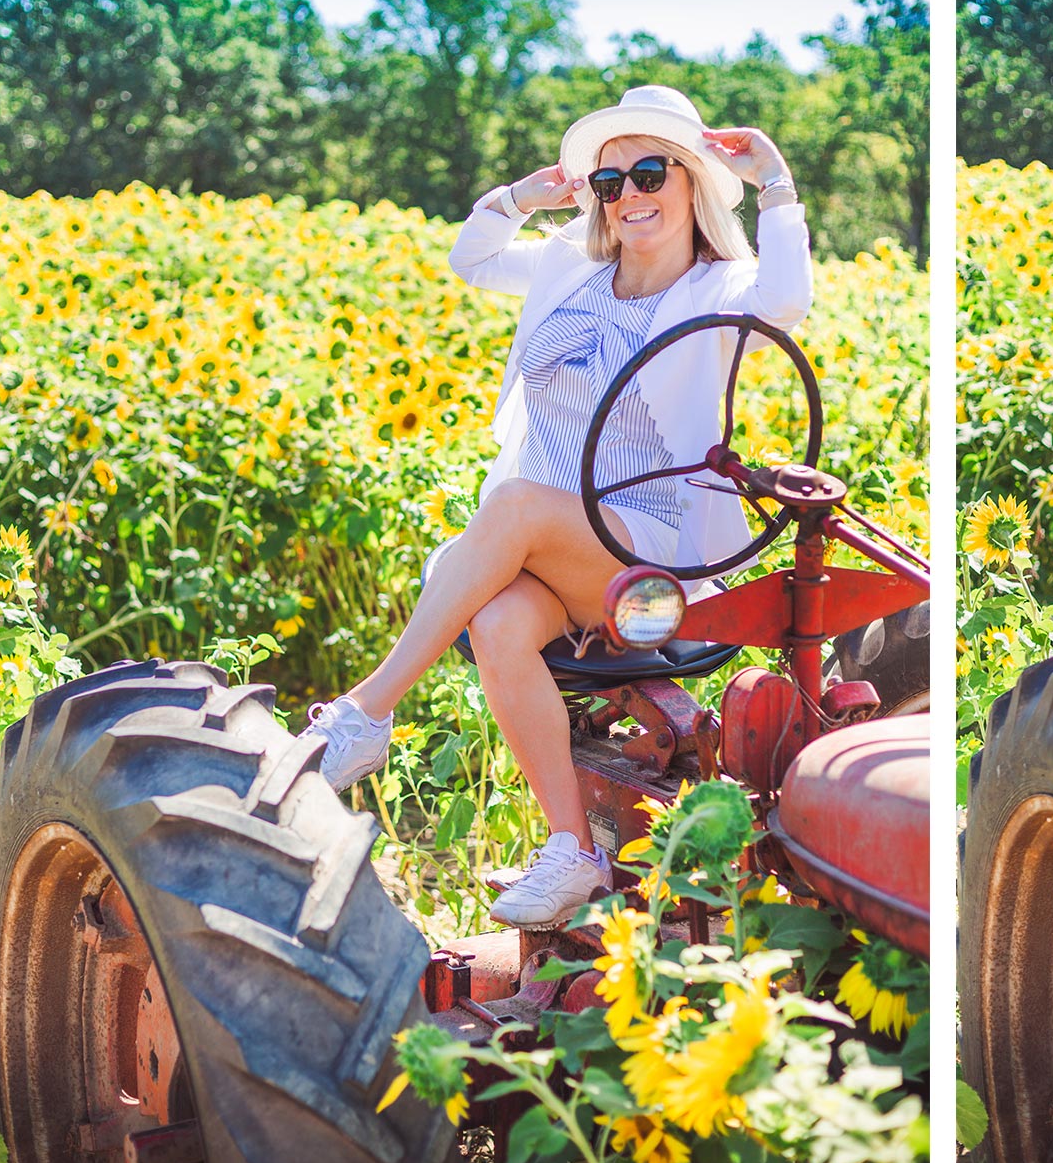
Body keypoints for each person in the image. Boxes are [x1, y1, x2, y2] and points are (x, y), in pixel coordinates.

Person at [299, 84, 811, 928]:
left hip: (658, 575)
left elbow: (788, 305)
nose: (631, 196)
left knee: (520, 505)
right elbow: (473, 259)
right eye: (610, 183)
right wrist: (514, 199)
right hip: (566, 553)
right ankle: (573, 851)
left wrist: (778, 189)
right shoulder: (571, 269)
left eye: (651, 173)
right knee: (499, 624)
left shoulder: (719, 288)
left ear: (691, 182)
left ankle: (367, 713)